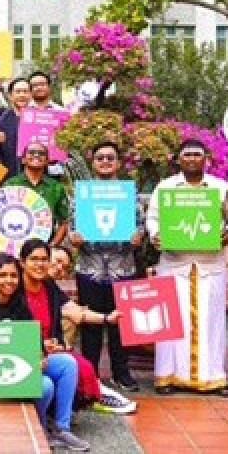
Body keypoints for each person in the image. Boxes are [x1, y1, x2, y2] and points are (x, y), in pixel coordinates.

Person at [146, 139, 228, 396]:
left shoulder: (220, 188)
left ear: (206, 159)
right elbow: (152, 218)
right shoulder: (166, 187)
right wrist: (155, 234)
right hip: (174, 264)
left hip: (209, 265)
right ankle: (167, 376)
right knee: (172, 320)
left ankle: (214, 377)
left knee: (212, 322)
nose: (191, 159)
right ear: (179, 160)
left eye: (196, 155)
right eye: (186, 155)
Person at [0, 254, 90, 452]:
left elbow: (35, 342)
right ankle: (41, 429)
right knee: (45, 386)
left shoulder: (21, 305)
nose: (9, 280)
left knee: (67, 363)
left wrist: (40, 358)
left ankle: (62, 428)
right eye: (2, 275)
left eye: (13, 275)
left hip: (24, 367)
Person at [19, 239, 137, 416]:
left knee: (81, 366)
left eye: (44, 260)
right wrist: (40, 346)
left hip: (50, 353)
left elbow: (76, 313)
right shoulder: (15, 289)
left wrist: (107, 318)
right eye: (35, 259)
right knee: (61, 376)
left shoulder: (49, 288)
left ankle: (70, 417)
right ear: (22, 262)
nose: (41, 265)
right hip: (25, 354)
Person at [68, 141, 145, 392]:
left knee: (120, 324)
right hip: (90, 268)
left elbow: (141, 224)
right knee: (90, 323)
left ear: (118, 163)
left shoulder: (130, 194)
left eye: (110, 158)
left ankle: (121, 372)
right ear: (93, 163)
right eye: (100, 158)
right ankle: (90, 374)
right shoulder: (82, 195)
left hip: (122, 267)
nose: (105, 162)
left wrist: (138, 236)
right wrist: (74, 237)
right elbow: (71, 226)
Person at [4, 144, 70, 245]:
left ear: (47, 161)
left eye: (41, 153)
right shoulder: (11, 185)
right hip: (14, 243)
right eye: (31, 152)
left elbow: (64, 222)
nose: (36, 155)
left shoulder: (56, 187)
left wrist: (51, 246)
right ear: (23, 160)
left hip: (45, 245)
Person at [0, 77, 31, 175]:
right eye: (18, 92)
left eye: (25, 91)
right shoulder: (0, 123)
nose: (22, 95)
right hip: (10, 177)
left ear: (30, 95)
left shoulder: (40, 120)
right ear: (10, 95)